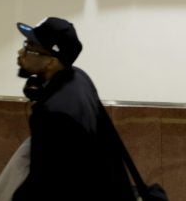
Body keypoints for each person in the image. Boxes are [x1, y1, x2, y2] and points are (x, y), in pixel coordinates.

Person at [11, 17, 135, 201]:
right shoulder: (79, 78)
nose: (20, 52)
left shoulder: (51, 114)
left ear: (51, 62)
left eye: (29, 47)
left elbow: (42, 183)